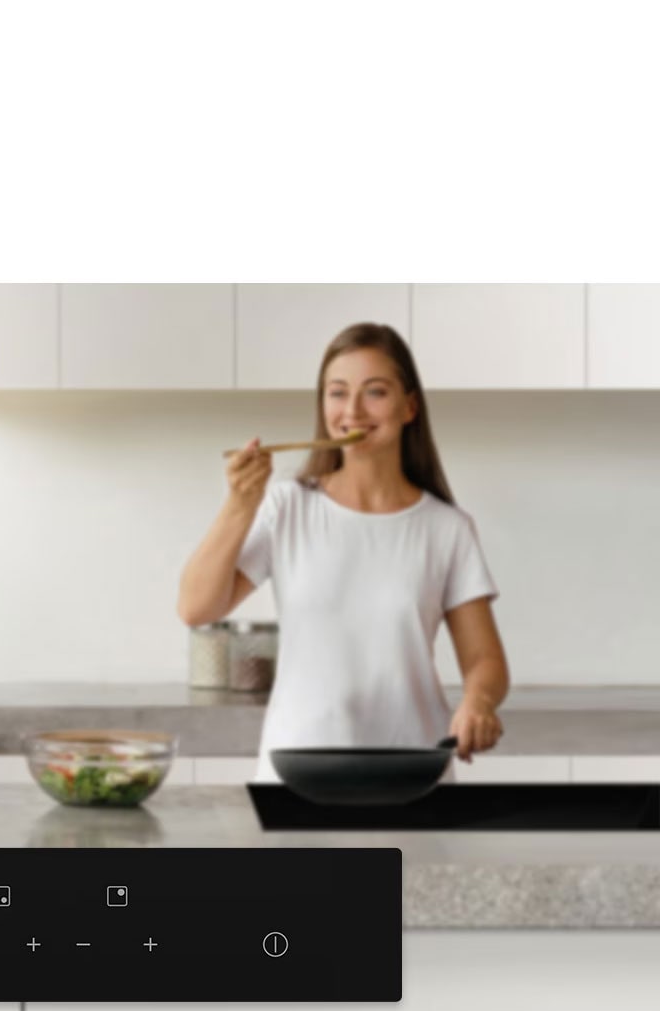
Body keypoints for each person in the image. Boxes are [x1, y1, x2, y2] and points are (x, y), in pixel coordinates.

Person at [176, 323, 509, 782]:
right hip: (296, 773)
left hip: (412, 774)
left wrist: (479, 701)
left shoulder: (446, 528)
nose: (352, 410)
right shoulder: (286, 505)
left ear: (409, 407)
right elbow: (196, 608)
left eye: (375, 392)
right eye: (337, 393)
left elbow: (484, 660)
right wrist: (239, 505)